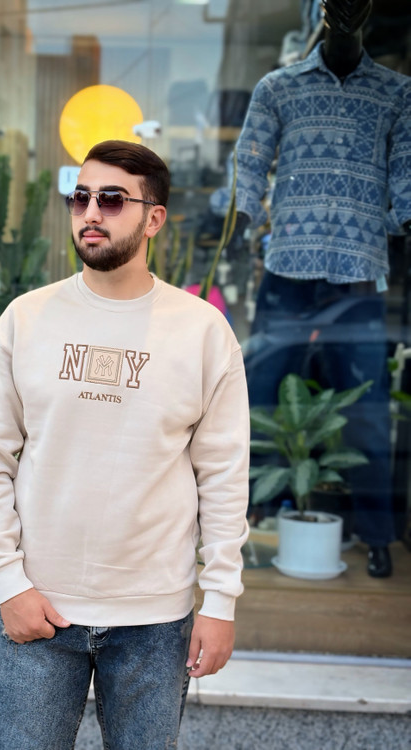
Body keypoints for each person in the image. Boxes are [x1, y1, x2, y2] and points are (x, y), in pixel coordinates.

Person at [0, 140, 250, 749]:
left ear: (154, 218)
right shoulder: (25, 319)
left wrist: (220, 600)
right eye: (81, 197)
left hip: (155, 618)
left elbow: (223, 473)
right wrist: (9, 583)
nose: (91, 213)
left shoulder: (202, 331)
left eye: (113, 199)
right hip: (38, 607)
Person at [232, 0, 411, 578]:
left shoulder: (397, 93)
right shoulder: (278, 87)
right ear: (324, 12)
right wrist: (240, 216)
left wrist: (396, 219)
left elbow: (407, 172)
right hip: (288, 267)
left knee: (365, 409)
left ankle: (376, 534)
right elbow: (249, 161)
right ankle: (241, 518)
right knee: (258, 397)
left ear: (369, 12)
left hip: (357, 273)